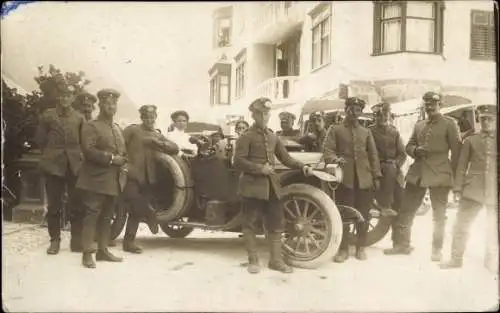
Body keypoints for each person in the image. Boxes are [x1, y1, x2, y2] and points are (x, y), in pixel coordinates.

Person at [234, 97, 313, 274]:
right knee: (249, 224)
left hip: (271, 187)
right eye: (261, 113)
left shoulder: (272, 136)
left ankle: (275, 261)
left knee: (276, 223)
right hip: (252, 187)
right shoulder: (246, 136)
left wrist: (303, 166)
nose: (265, 116)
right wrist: (259, 168)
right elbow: (238, 161)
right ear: (254, 115)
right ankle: (253, 260)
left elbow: (286, 158)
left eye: (267, 113)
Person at [384, 91, 462, 261]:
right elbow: (409, 145)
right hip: (417, 174)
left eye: (433, 104)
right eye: (426, 104)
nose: (429, 107)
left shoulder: (450, 124)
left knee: (439, 215)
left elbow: (457, 154)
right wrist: (415, 151)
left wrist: (456, 182)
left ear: (440, 105)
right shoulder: (419, 125)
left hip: (440, 174)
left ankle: (436, 250)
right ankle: (402, 245)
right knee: (406, 210)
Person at [323, 97, 381, 262]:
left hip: (365, 179)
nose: (354, 113)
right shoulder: (335, 129)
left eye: (357, 110)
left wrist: (376, 176)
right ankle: (343, 250)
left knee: (364, 214)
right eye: (351, 109)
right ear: (346, 110)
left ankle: (361, 247)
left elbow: (373, 155)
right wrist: (335, 160)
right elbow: (327, 151)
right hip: (345, 179)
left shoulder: (366, 132)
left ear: (361, 112)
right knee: (345, 214)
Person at [440, 104, 497, 272]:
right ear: (479, 120)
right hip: (473, 189)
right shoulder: (471, 140)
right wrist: (457, 189)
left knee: (494, 228)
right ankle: (456, 259)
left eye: (490, 119)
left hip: (494, 191)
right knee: (461, 225)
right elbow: (461, 166)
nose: (486, 122)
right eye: (483, 119)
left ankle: (491, 260)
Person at [76, 88, 127, 268]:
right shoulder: (91, 125)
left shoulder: (116, 128)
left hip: (112, 180)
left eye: (113, 104)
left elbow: (122, 151)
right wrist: (112, 159)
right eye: (107, 103)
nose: (111, 106)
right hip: (94, 180)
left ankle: (103, 251)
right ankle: (87, 254)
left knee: (106, 217)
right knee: (92, 215)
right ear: (100, 105)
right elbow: (88, 151)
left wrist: (123, 160)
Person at [121, 105, 179, 253]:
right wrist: (125, 164)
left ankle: (129, 243)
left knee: (135, 213)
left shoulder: (156, 134)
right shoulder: (132, 130)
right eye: (146, 117)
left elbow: (174, 148)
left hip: (149, 178)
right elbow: (119, 144)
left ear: (155, 118)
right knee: (135, 201)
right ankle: (150, 214)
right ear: (141, 117)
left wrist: (158, 143)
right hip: (132, 175)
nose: (149, 120)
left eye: (152, 117)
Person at [35, 86, 86, 254]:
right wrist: (51, 156)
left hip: (74, 167)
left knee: (77, 205)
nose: (65, 99)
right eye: (62, 95)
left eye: (68, 96)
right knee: (54, 206)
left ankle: (76, 241)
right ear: (58, 97)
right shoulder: (48, 115)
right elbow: (40, 140)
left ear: (72, 98)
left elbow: (84, 142)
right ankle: (54, 241)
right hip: (54, 166)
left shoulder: (79, 117)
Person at [369, 102, 407, 217]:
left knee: (401, 199)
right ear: (374, 117)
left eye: (385, 114)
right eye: (379, 115)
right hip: (376, 168)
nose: (382, 118)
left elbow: (402, 153)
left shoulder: (394, 132)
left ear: (389, 115)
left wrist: (396, 163)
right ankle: (384, 205)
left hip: (393, 170)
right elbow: (368, 153)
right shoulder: (370, 131)